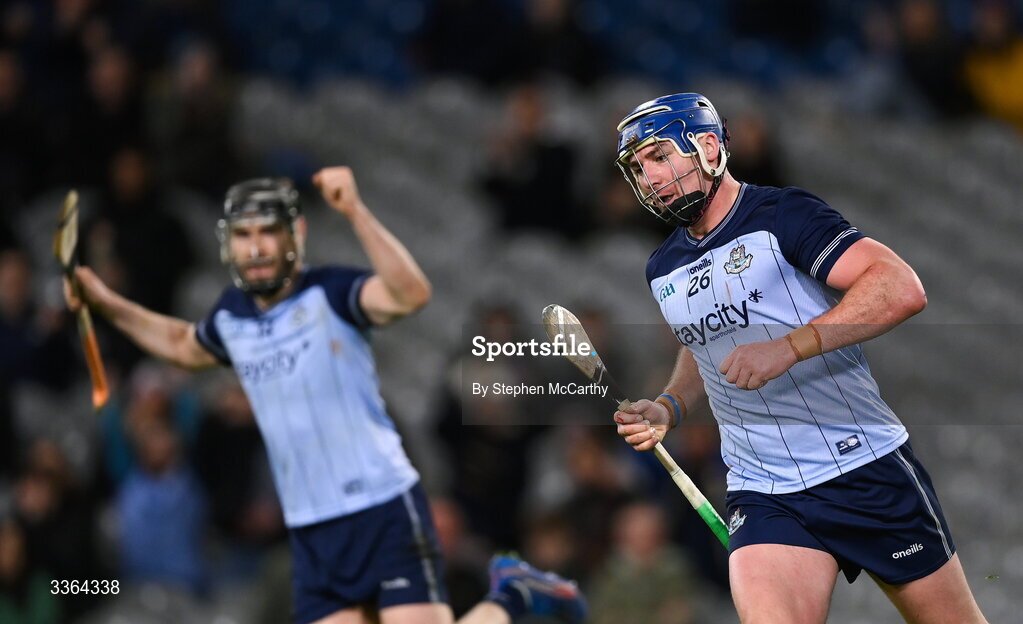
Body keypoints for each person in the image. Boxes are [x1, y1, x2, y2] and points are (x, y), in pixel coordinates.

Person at [63, 167, 586, 624]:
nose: (257, 247)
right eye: (245, 234)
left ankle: (513, 593)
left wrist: (356, 210)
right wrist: (105, 300)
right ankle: (514, 590)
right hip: (312, 529)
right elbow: (179, 344)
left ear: (296, 236)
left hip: (380, 507)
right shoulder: (233, 316)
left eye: (269, 232)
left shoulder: (331, 293)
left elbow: (411, 293)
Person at [611, 93, 988, 624]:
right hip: (763, 490)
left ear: (709, 147)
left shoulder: (783, 213)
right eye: (637, 168)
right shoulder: (663, 266)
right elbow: (701, 345)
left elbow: (900, 287)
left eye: (658, 157)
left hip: (862, 467)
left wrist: (790, 346)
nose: (648, 177)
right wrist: (669, 407)